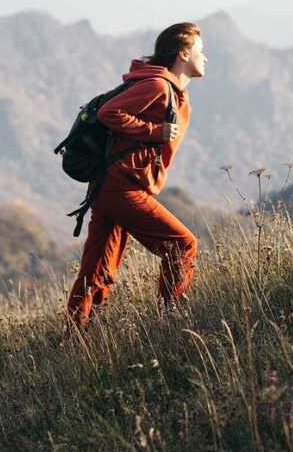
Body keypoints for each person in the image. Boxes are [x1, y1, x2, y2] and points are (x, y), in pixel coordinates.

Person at [64, 22, 207, 333]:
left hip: (110, 187)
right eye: (200, 51)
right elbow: (109, 113)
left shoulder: (170, 90)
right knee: (182, 246)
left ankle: (72, 340)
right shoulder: (157, 86)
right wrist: (154, 131)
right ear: (183, 54)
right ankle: (172, 324)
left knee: (97, 270)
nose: (205, 58)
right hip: (120, 188)